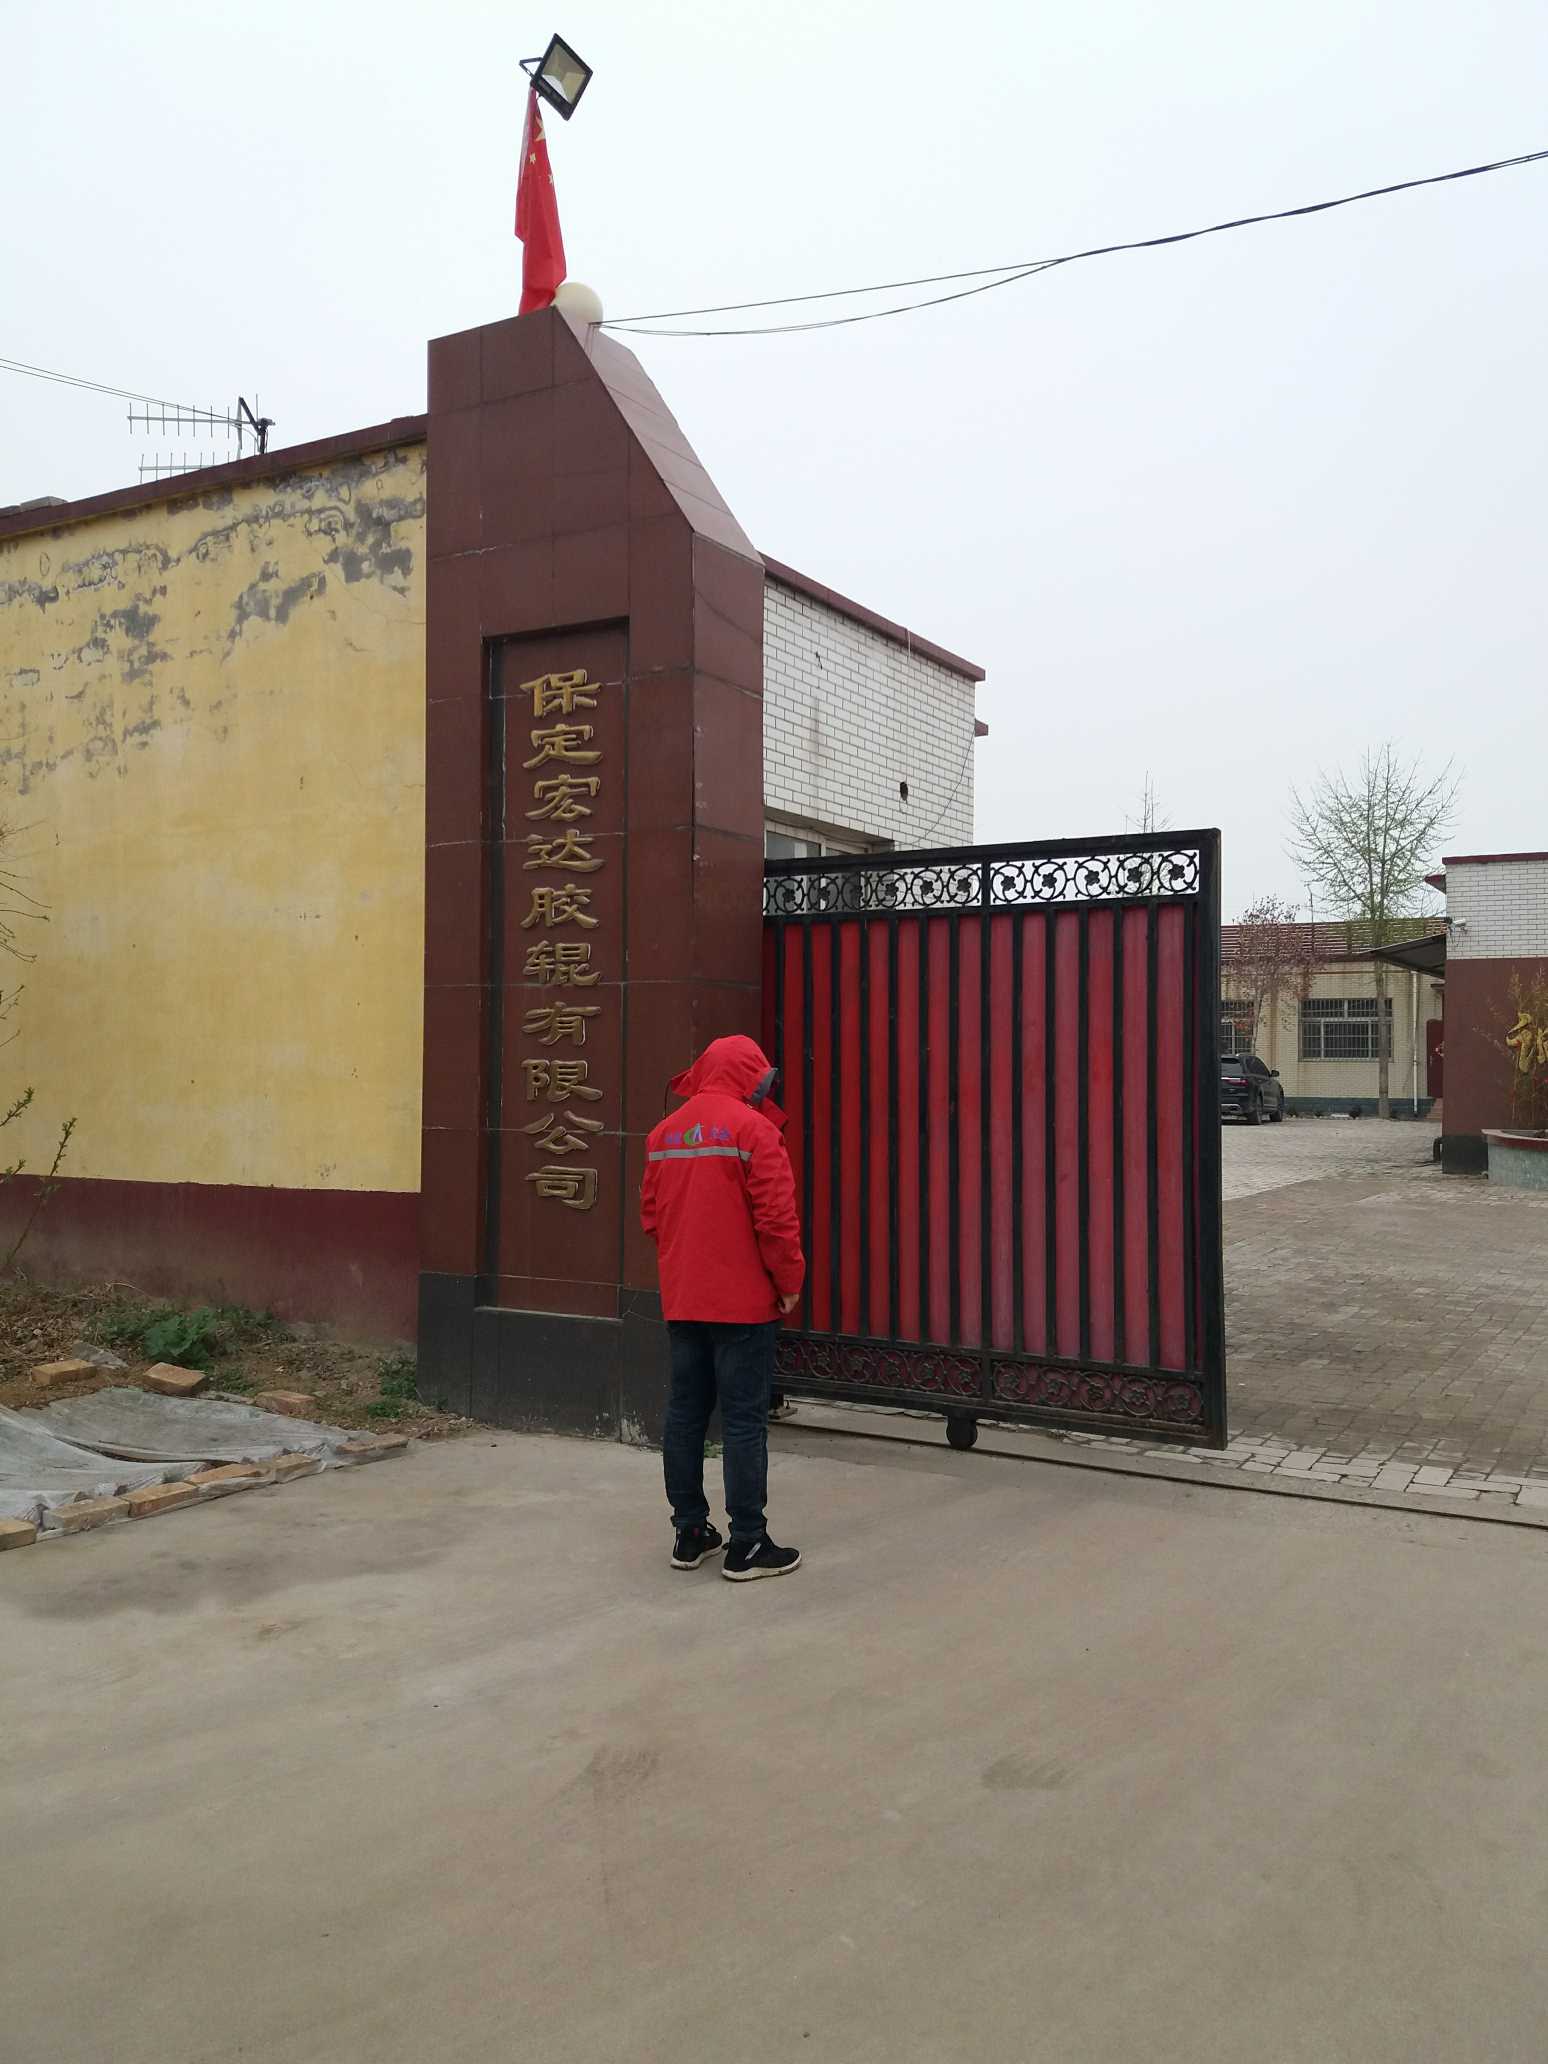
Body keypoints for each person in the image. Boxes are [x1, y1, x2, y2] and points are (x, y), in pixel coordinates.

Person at [641, 1034, 806, 1581]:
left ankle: (690, 1532)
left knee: (686, 1415)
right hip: (743, 1305)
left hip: (684, 1299)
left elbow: (651, 1218)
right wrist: (788, 1281)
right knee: (742, 1421)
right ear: (749, 1078)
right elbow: (776, 1221)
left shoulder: (664, 1134)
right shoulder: (753, 1130)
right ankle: (748, 1543)